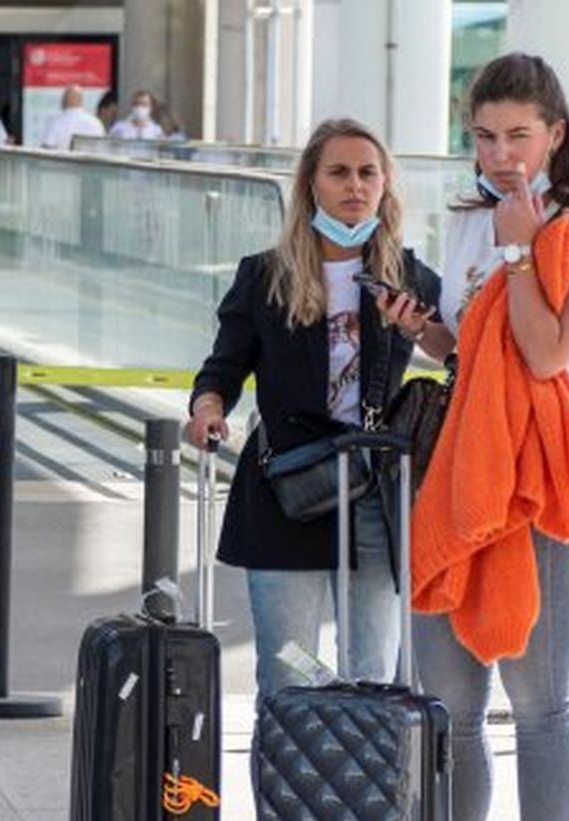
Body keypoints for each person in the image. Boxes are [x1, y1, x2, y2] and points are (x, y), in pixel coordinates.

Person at [409, 53, 569, 821]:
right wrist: (429, 331)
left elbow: (544, 354)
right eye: (486, 136)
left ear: (556, 135)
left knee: (539, 706)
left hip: (547, 492)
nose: (502, 154)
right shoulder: (470, 220)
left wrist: (518, 253)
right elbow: (476, 359)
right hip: (463, 480)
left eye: (519, 136)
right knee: (452, 710)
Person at [187, 118, 441, 699]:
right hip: (288, 490)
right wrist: (208, 407)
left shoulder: (407, 276)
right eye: (339, 172)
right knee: (290, 669)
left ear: (384, 186)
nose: (355, 185)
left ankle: (363, 789)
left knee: (372, 675)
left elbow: (459, 353)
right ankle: (290, 784)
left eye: (367, 173)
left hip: (374, 495)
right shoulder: (266, 274)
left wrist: (423, 332)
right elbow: (224, 365)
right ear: (312, 186)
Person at [41, 86, 106, 150]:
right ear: (81, 101)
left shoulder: (55, 122)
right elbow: (103, 147)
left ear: (64, 100)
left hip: (63, 160)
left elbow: (46, 148)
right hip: (91, 160)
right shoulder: (96, 123)